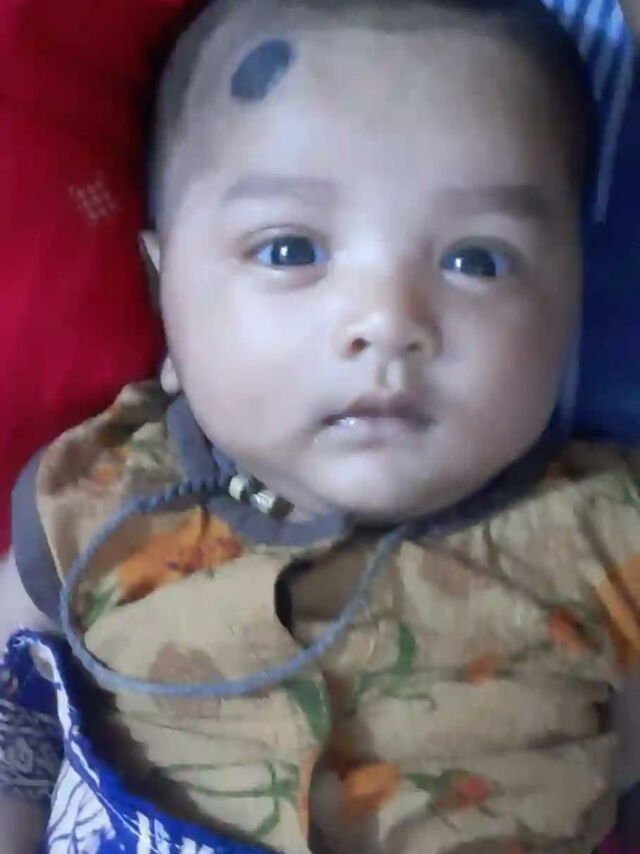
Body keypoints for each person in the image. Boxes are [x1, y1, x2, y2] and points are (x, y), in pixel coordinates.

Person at [1, 0, 639, 851]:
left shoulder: (608, 538)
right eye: (289, 250)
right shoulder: (97, 494)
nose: (387, 320)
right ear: (163, 293)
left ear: (572, 300)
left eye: (476, 260)